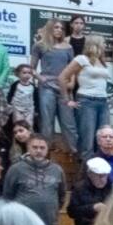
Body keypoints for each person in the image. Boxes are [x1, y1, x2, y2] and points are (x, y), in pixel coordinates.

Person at [59, 36, 113, 156]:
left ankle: (101, 170)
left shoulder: (102, 61)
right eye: (104, 43)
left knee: (103, 138)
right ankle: (85, 170)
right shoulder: (82, 59)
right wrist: (66, 100)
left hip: (103, 101)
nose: (105, 45)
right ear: (96, 44)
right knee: (87, 140)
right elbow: (62, 77)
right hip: (86, 100)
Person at [31, 20, 77, 152]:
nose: (59, 30)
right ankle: (45, 152)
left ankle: (74, 153)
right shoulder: (40, 46)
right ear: (50, 28)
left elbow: (72, 67)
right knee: (47, 122)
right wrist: (41, 78)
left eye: (61, 28)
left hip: (64, 87)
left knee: (68, 122)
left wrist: (72, 82)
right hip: (47, 87)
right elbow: (32, 69)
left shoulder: (68, 47)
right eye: (56, 27)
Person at [69, 157, 113, 225]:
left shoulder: (112, 188)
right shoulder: (79, 189)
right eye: (99, 176)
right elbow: (72, 211)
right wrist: (92, 208)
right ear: (90, 175)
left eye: (105, 176)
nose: (102, 179)